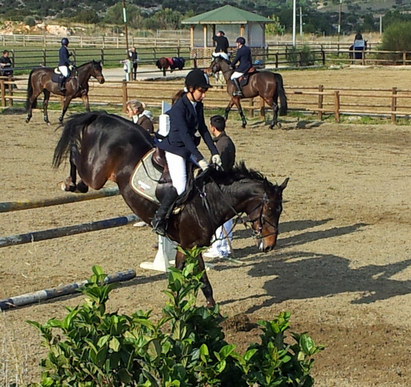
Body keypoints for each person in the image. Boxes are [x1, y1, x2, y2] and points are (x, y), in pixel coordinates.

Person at [151, 68, 222, 236]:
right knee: (181, 186)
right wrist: (200, 157)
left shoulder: (197, 105)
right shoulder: (179, 108)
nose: (203, 95)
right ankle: (159, 218)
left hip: (186, 148)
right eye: (201, 91)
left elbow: (204, 129)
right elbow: (184, 136)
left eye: (205, 91)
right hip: (175, 149)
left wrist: (214, 152)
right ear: (191, 89)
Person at [203, 115, 236, 259]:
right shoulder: (225, 142)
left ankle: (220, 248)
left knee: (220, 217)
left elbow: (218, 166)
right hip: (226, 182)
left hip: (221, 184)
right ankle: (223, 246)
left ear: (212, 127)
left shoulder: (222, 144)